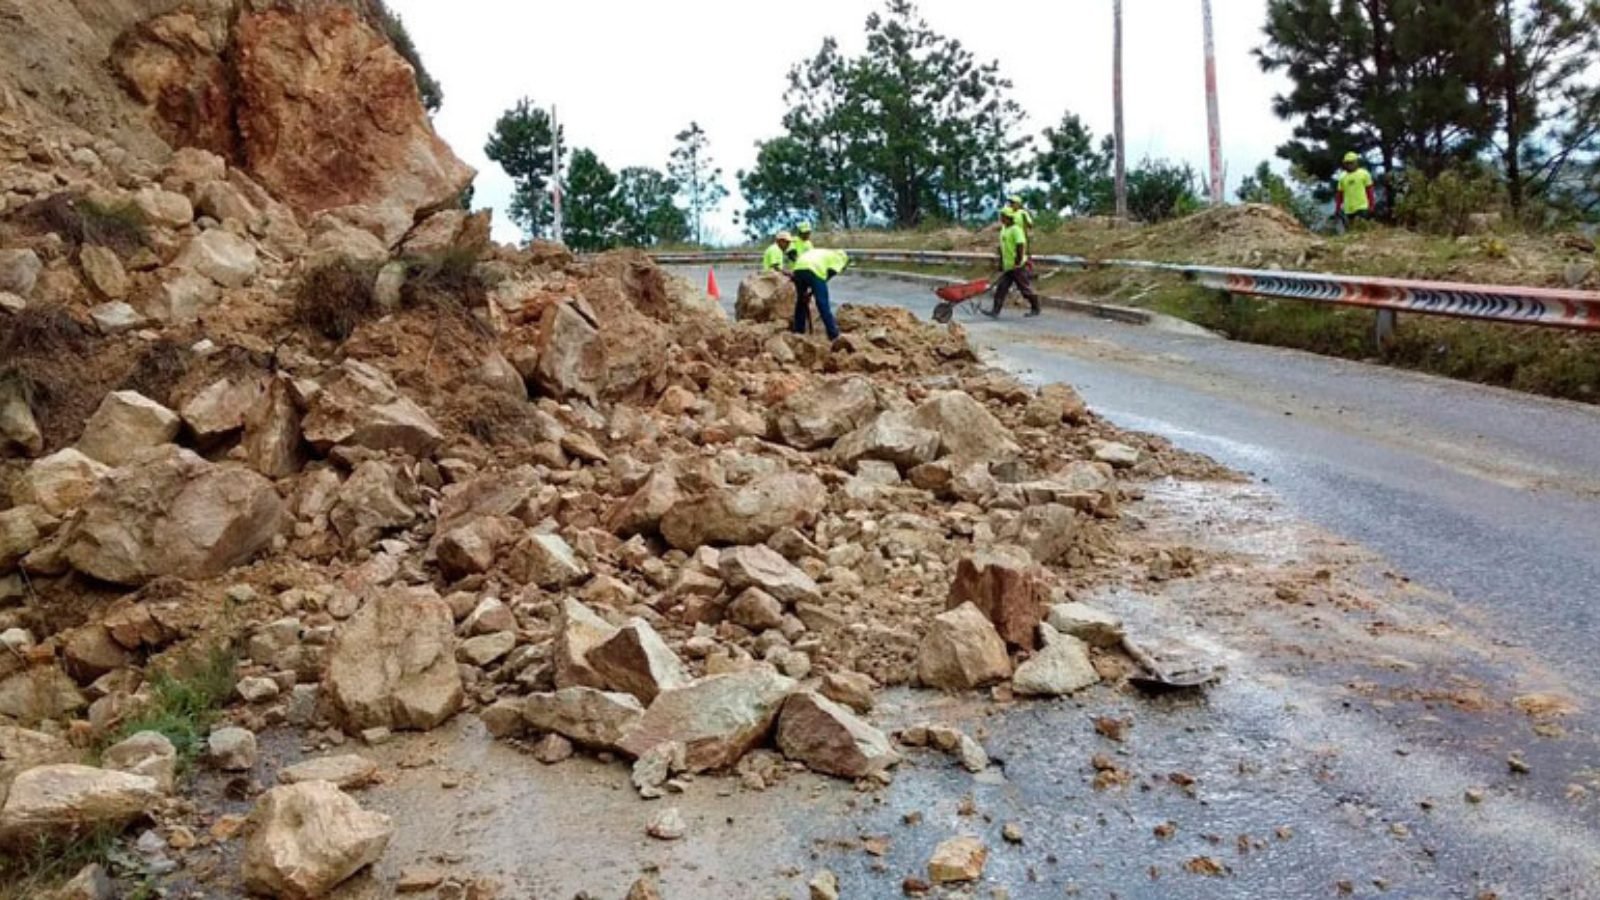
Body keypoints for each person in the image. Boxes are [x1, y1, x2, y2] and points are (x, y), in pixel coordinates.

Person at [983, 210, 1040, 319]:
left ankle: (1036, 308)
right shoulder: (1004, 229)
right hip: (1008, 266)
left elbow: (1020, 246)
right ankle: (995, 311)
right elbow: (1002, 248)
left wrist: (1018, 261)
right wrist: (1001, 263)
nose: (1001, 218)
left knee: (1024, 289)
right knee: (1001, 288)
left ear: (1008, 217)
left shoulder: (1016, 230)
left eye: (1002, 216)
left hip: (1018, 266)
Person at [790, 246, 848, 340]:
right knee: (822, 303)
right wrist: (812, 292)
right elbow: (826, 277)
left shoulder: (824, 253)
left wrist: (810, 293)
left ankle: (798, 330)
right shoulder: (840, 259)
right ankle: (833, 334)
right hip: (814, 269)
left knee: (801, 301)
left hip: (798, 268)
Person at [1335, 151, 1376, 227]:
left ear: (1356, 162)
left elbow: (1370, 191)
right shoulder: (1342, 177)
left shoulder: (1364, 174)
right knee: (1351, 230)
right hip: (1348, 209)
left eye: (1351, 162)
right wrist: (1337, 209)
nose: (1349, 165)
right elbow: (1339, 195)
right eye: (1347, 163)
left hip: (1362, 207)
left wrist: (1372, 205)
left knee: (1362, 228)